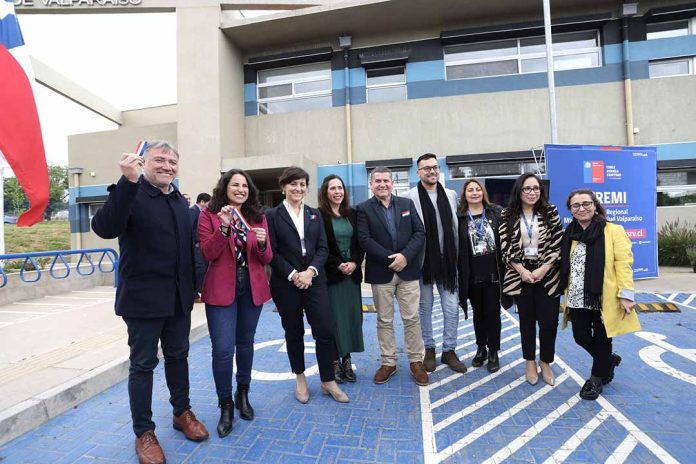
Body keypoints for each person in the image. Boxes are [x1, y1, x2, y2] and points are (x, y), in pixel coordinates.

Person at [91, 141, 208, 464]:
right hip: (143, 302)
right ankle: (144, 432)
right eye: (160, 159)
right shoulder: (131, 193)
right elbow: (104, 227)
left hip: (178, 300)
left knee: (179, 357)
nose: (167, 166)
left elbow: (189, 249)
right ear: (144, 162)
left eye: (172, 161)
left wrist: (194, 288)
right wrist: (127, 182)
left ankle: (181, 412)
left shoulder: (178, 201)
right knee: (143, 366)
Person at [198, 169, 272, 437]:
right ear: (225, 188)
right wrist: (224, 227)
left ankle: (243, 395)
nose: (240, 189)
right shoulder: (209, 215)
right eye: (235, 184)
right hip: (221, 289)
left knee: (245, 344)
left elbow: (265, 258)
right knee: (222, 350)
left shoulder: (258, 217)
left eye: (244, 185)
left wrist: (263, 245)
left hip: (251, 287)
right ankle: (225, 404)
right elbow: (208, 252)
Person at [265, 166, 349, 403]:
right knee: (294, 332)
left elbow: (323, 247)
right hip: (286, 282)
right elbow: (271, 252)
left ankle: (327, 380)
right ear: (284, 187)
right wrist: (294, 274)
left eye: (302, 184)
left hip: (314, 280)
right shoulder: (272, 216)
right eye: (293, 184)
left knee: (324, 329)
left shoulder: (314, 214)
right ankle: (300, 378)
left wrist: (311, 272)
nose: (298, 188)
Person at [560, 189, 640, 400]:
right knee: (581, 337)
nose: (581, 208)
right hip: (577, 296)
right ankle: (608, 361)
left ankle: (596, 379)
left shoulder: (613, 230)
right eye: (576, 205)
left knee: (603, 339)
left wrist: (626, 294)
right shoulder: (570, 234)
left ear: (595, 205)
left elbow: (624, 264)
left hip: (604, 297)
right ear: (571, 210)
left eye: (586, 203)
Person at [356, 166, 428, 386]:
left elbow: (420, 232)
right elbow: (364, 239)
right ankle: (389, 362)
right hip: (381, 272)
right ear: (371, 184)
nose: (382, 184)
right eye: (377, 181)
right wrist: (391, 259)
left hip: (408, 270)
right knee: (384, 320)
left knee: (412, 318)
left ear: (392, 183)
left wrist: (405, 257)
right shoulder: (363, 209)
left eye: (386, 180)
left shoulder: (406, 204)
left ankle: (416, 361)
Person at [499, 173, 563, 386]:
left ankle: (545, 362)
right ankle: (529, 362)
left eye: (536, 188)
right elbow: (505, 246)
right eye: (527, 188)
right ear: (519, 191)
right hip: (521, 275)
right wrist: (522, 271)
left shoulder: (550, 212)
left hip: (548, 274)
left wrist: (544, 268)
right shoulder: (507, 214)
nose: (532, 192)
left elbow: (558, 243)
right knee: (526, 322)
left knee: (549, 322)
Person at [404, 154, 466, 374]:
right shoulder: (409, 197)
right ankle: (428, 349)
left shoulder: (450, 195)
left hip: (448, 262)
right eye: (426, 168)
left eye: (434, 167)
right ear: (418, 172)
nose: (431, 171)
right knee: (425, 308)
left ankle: (449, 350)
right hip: (423, 263)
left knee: (451, 308)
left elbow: (456, 227)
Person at [318, 174, 365, 383]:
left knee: (351, 319)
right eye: (332, 188)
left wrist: (354, 262)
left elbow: (360, 243)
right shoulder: (319, 216)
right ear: (325, 192)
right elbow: (320, 247)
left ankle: (347, 360)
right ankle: (335, 362)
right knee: (335, 321)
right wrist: (338, 264)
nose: (337, 192)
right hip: (333, 276)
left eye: (340, 188)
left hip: (352, 276)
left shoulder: (352, 214)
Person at [457, 179, 506, 373]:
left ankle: (493, 351)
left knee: (493, 315)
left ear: (483, 193)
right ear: (465, 194)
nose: (475, 192)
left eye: (478, 189)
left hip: (494, 274)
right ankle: (481, 348)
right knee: (478, 315)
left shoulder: (497, 212)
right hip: (472, 276)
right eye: (470, 190)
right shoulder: (460, 217)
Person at [190, 192, 212, 302]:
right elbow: (189, 229)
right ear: (202, 202)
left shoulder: (201, 212)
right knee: (198, 269)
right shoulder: (193, 211)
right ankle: (194, 294)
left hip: (201, 246)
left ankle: (200, 291)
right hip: (195, 246)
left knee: (204, 268)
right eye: (208, 203)